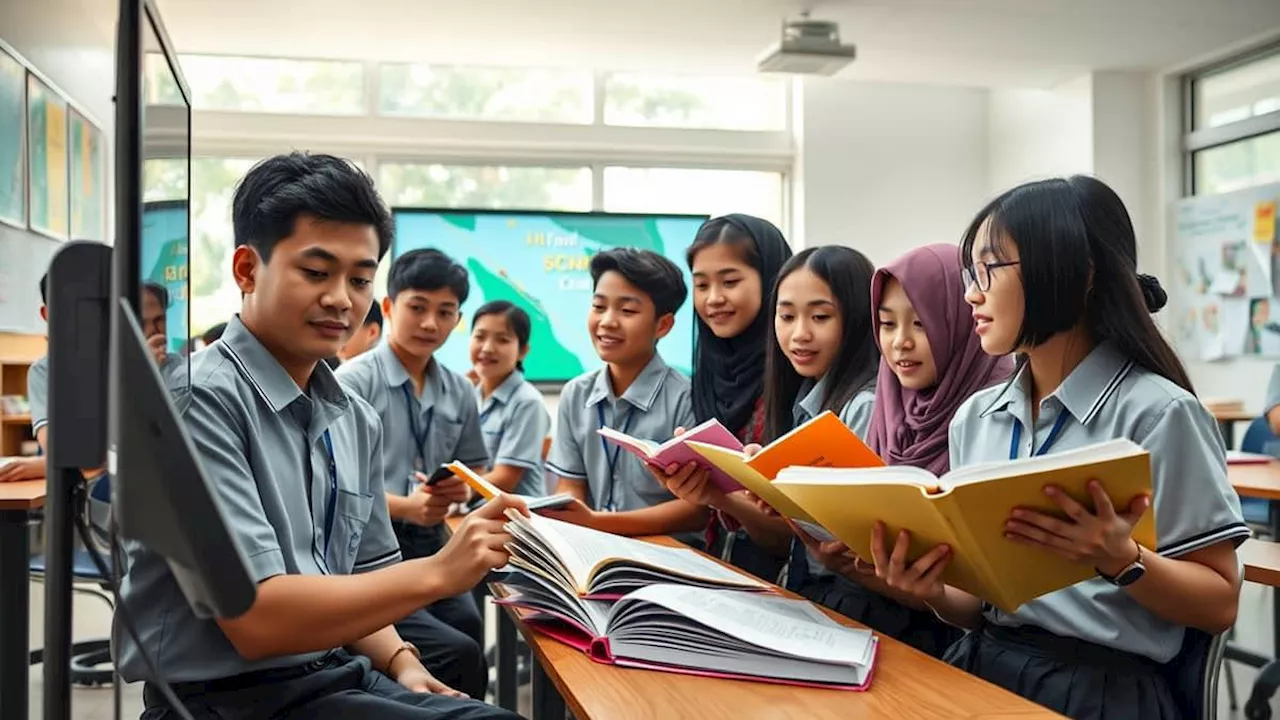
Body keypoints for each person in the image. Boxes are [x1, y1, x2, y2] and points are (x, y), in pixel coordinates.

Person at [114, 152, 523, 719]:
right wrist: (441, 570)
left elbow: (358, 576)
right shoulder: (198, 399)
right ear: (246, 270)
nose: (341, 298)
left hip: (327, 671)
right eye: (316, 272)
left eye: (359, 279)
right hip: (225, 701)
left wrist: (402, 660)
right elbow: (257, 619)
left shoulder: (353, 415)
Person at [871, 176, 1250, 720]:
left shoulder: (1158, 413)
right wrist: (928, 589)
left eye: (989, 271)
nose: (971, 294)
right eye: (968, 274)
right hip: (988, 666)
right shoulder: (977, 417)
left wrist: (1121, 559)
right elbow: (980, 609)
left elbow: (1220, 603)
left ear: (1080, 274)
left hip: (1101, 690)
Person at [794, 243, 1012, 657]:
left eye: (921, 325)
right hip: (864, 622)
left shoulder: (994, 418)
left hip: (943, 644)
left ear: (964, 322)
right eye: (887, 324)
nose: (899, 343)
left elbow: (978, 598)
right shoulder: (885, 407)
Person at [658, 246, 880, 588]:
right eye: (787, 316)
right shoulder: (804, 396)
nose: (799, 334)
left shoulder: (863, 405)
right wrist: (748, 492)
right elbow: (792, 541)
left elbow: (847, 541)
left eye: (820, 317)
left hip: (852, 599)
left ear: (858, 319)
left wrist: (769, 495)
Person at [334, 248, 490, 695]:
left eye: (445, 313)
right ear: (388, 307)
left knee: (467, 626)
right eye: (417, 307)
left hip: (434, 540)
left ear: (457, 320)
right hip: (368, 551)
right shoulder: (352, 382)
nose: (429, 324)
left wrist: (456, 491)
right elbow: (333, 490)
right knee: (454, 650)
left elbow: (474, 466)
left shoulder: (459, 389)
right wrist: (408, 508)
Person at [646, 214, 791, 580]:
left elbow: (792, 535)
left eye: (730, 282)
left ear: (772, 281)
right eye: (701, 285)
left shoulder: (793, 371)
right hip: (720, 569)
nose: (713, 299)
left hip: (789, 584)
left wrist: (718, 494)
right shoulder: (711, 373)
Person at [542, 248, 705, 542]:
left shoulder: (688, 398)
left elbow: (697, 508)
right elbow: (570, 483)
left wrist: (600, 523)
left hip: (666, 556)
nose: (607, 321)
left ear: (663, 325)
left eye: (627, 311)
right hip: (593, 548)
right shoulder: (576, 394)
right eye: (599, 306)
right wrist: (571, 512)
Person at [469, 301, 551, 497]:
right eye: (480, 337)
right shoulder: (471, 395)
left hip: (516, 519)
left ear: (522, 351)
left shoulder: (527, 403)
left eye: (502, 340)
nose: (487, 348)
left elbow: (504, 479)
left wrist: (452, 495)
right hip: (475, 509)